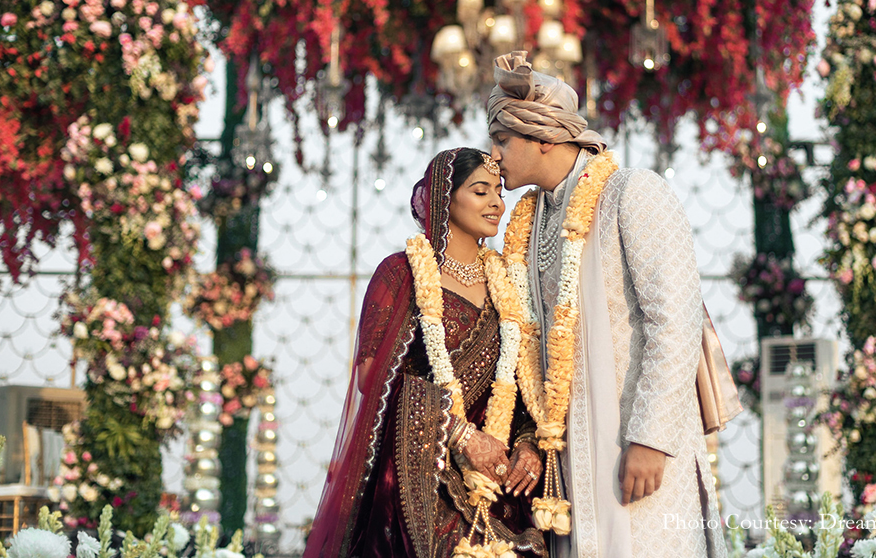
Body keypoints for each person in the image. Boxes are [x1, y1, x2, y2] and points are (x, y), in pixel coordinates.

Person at [486, 51, 741, 558]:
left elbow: (676, 319)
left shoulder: (632, 192)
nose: (492, 156)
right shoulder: (529, 221)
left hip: (639, 454)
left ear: (544, 138)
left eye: (502, 140)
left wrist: (651, 438)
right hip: (569, 464)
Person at [304, 147, 548, 558]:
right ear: (444, 199)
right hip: (416, 472)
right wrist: (461, 435)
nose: (495, 202)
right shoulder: (400, 273)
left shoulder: (509, 281)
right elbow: (370, 377)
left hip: (495, 480)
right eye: (480, 191)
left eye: (499, 192)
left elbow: (523, 382)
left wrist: (527, 446)